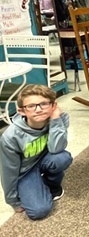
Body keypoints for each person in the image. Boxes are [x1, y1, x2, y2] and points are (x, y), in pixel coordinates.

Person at [0, 84, 72, 220]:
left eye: (44, 104)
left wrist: (56, 119)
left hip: (45, 159)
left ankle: (51, 184)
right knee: (39, 211)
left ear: (53, 106)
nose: (38, 110)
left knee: (63, 158)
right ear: (22, 111)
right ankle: (35, 184)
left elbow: (57, 148)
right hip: (24, 171)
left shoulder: (59, 118)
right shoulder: (10, 136)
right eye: (31, 106)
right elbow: (8, 170)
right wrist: (13, 201)